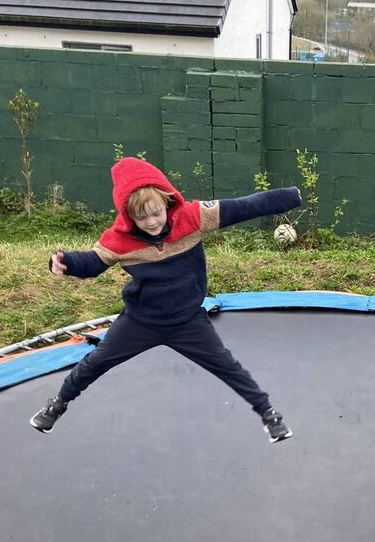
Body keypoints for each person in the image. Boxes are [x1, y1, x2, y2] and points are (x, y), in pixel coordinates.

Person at [30, 157, 301, 442]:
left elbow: (245, 206)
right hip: (140, 322)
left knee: (228, 367)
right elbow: (93, 263)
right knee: (95, 362)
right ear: (128, 216)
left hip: (187, 321)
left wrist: (289, 197)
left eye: (156, 213)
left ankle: (269, 414)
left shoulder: (193, 216)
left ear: (166, 201)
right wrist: (66, 263)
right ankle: (58, 403)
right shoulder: (119, 239)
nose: (151, 222)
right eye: (141, 218)